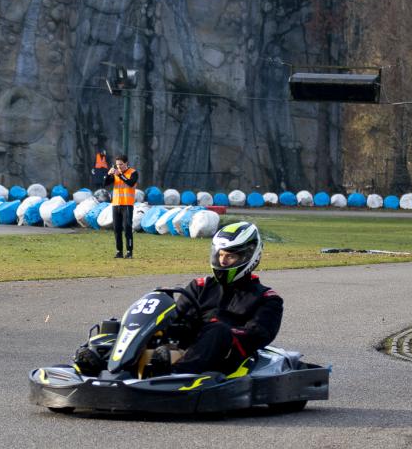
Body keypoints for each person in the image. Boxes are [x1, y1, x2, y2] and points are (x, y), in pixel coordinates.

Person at [147, 221, 283, 376]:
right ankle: (128, 365)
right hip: (187, 346)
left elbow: (256, 335)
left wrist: (215, 328)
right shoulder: (200, 286)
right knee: (153, 317)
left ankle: (176, 375)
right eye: (221, 255)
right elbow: (177, 318)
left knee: (218, 330)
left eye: (230, 256)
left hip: (226, 358)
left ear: (248, 257)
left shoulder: (266, 298)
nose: (222, 261)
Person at [103, 154, 138, 259]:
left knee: (127, 228)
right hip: (116, 204)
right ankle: (119, 251)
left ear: (126, 163)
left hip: (127, 204)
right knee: (116, 229)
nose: (119, 167)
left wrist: (120, 175)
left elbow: (131, 183)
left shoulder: (133, 172)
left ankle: (129, 252)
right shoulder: (115, 173)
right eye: (117, 165)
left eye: (121, 164)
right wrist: (108, 174)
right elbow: (105, 183)